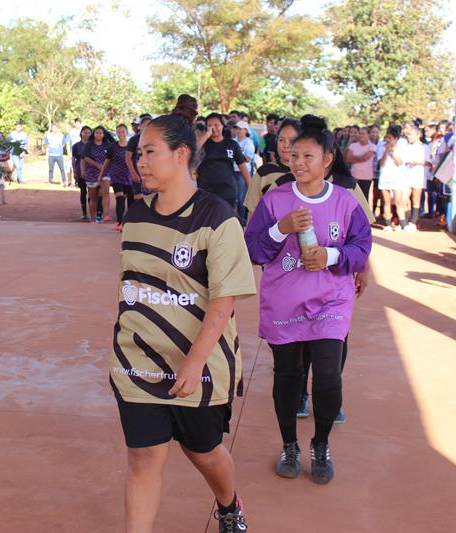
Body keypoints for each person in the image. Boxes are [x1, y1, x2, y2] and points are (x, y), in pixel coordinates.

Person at [112, 108, 256, 533]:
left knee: (204, 451)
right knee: (143, 458)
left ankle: (228, 505)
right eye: (138, 153)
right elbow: (132, 286)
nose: (140, 161)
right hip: (136, 363)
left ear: (181, 154)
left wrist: (193, 362)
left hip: (199, 365)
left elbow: (222, 301)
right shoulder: (136, 215)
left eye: (150, 152)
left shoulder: (216, 218)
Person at [245, 125, 372, 485]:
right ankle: (289, 445)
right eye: (294, 155)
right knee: (288, 376)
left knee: (328, 376)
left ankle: (320, 444)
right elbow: (254, 248)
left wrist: (331, 255)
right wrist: (280, 228)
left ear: (328, 160)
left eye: (307, 156)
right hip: (285, 302)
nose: (298, 162)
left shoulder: (345, 202)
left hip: (331, 301)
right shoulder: (276, 200)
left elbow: (362, 247)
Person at [197, 113, 251, 209]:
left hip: (227, 189)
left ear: (223, 126)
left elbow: (242, 166)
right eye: (209, 125)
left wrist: (251, 187)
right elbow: (194, 150)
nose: (213, 128)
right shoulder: (203, 144)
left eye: (216, 125)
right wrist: (206, 135)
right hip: (206, 189)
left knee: (226, 218)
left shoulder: (232, 144)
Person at [99, 124, 133, 231]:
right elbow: (107, 161)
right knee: (120, 198)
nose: (121, 134)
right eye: (119, 132)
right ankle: (119, 222)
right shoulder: (112, 147)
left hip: (130, 176)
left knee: (131, 201)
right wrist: (101, 174)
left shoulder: (132, 146)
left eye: (123, 132)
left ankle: (130, 222)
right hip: (116, 176)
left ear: (127, 132)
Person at [377, 125, 409, 231]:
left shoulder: (401, 147)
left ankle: (403, 223)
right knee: (386, 201)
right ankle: (388, 223)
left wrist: (392, 152)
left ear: (395, 139)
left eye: (390, 138)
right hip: (384, 177)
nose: (387, 140)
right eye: (387, 137)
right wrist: (386, 151)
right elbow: (381, 162)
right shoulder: (381, 147)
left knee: (398, 201)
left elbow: (399, 162)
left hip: (397, 177)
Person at [398, 121, 428, 231]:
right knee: (403, 199)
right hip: (407, 175)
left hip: (418, 176)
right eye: (408, 135)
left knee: (416, 199)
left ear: (418, 135)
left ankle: (413, 221)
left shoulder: (424, 147)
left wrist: (417, 162)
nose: (409, 137)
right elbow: (403, 159)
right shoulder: (407, 147)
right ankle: (403, 221)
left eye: (411, 135)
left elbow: (428, 162)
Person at [83, 126, 113, 223]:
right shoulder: (89, 145)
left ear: (104, 135)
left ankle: (106, 215)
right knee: (93, 198)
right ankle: (93, 219)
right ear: (94, 134)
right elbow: (85, 158)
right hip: (92, 173)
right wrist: (97, 165)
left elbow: (111, 156)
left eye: (101, 133)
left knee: (106, 193)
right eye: (97, 133)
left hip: (105, 172)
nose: (98, 135)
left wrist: (103, 166)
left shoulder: (108, 145)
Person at [231, 120, 255, 225]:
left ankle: (241, 220)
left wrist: (237, 155)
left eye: (240, 129)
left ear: (245, 130)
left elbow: (248, 158)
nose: (238, 131)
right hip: (233, 171)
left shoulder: (248, 142)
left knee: (241, 197)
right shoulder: (233, 141)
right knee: (234, 196)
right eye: (237, 128)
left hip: (243, 172)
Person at [345, 127, 377, 203]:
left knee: (364, 199)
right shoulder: (353, 146)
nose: (361, 135)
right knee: (353, 198)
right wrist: (360, 158)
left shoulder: (372, 146)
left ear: (368, 135)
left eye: (363, 133)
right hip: (354, 176)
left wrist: (354, 158)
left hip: (366, 177)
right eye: (360, 133)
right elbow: (348, 159)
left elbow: (365, 158)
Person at [126, 115, 153, 203]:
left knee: (152, 199)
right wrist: (133, 173)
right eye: (144, 125)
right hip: (138, 173)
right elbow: (128, 158)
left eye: (149, 125)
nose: (146, 128)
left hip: (152, 173)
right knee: (139, 199)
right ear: (140, 126)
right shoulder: (133, 140)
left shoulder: (156, 140)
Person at [72, 126, 93, 221]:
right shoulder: (76, 146)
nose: (86, 134)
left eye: (89, 132)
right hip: (80, 171)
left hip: (92, 172)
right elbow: (74, 159)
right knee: (83, 191)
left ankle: (92, 211)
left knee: (92, 192)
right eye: (84, 132)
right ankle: (84, 212)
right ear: (81, 134)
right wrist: (74, 171)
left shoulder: (93, 145)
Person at [0, 133, 11, 205]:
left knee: (0, 183)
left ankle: (1, 200)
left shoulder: (6, 146)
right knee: (0, 183)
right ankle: (3, 199)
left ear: (3, 138)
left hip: (2, 165)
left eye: (1, 137)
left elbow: (8, 157)